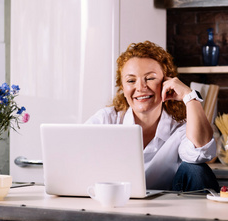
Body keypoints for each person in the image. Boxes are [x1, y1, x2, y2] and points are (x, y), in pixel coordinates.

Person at [86, 41, 220, 192]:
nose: (141, 87)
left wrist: (189, 96)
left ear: (166, 82)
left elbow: (203, 152)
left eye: (150, 78)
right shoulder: (107, 120)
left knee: (197, 170)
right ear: (123, 87)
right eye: (131, 80)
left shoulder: (180, 126)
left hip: (169, 208)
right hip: (119, 205)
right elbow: (76, 155)